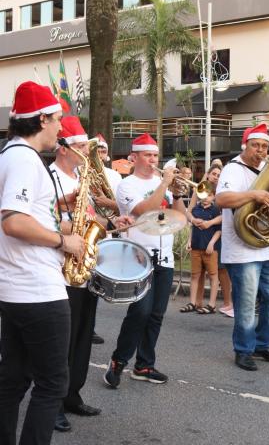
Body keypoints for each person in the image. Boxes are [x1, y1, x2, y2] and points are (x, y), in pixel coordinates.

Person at [0, 81, 84, 445]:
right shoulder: (22, 158)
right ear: (42, 118)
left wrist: (69, 227)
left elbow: (28, 217)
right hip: (37, 291)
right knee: (52, 384)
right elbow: (13, 221)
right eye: (57, 120)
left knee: (13, 380)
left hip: (16, 288)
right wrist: (64, 240)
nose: (60, 128)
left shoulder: (10, 155)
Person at [103, 133, 185, 388]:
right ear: (135, 157)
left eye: (155, 155)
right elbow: (144, 210)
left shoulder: (165, 184)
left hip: (165, 256)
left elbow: (182, 218)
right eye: (148, 155)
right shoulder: (127, 185)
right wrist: (164, 185)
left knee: (156, 314)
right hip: (138, 256)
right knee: (140, 312)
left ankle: (144, 364)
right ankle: (118, 360)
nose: (153, 160)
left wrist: (178, 195)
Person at [216, 123, 269, 371]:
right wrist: (255, 195)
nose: (260, 150)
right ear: (244, 145)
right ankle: (243, 350)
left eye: (265, 146)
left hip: (267, 247)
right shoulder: (232, 169)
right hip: (241, 249)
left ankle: (262, 344)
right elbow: (222, 199)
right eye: (255, 145)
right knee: (246, 303)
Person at [50, 116, 102, 432]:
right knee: (62, 342)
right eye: (81, 146)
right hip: (60, 269)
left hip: (86, 265)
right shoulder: (50, 176)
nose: (86, 151)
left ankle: (73, 395)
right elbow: (48, 221)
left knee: (83, 335)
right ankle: (53, 402)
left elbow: (91, 218)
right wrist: (73, 227)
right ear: (64, 148)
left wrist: (109, 224)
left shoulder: (82, 176)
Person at [187, 164, 233, 317]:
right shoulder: (199, 189)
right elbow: (189, 211)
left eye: (219, 174)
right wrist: (193, 220)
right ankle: (197, 302)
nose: (216, 177)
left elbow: (225, 215)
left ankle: (227, 303)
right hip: (201, 235)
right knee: (198, 272)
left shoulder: (223, 190)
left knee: (221, 270)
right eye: (214, 173)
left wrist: (210, 223)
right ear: (208, 175)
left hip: (218, 233)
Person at [90, 133, 122, 344]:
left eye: (103, 151)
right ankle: (87, 327)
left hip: (110, 227)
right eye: (97, 150)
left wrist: (110, 208)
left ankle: (89, 325)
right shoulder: (83, 172)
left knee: (98, 279)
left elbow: (119, 201)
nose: (100, 154)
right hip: (92, 227)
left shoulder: (115, 176)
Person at [180, 183, 221, 314]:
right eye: (203, 195)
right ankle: (193, 302)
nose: (206, 198)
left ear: (214, 196)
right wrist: (189, 241)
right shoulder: (196, 209)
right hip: (196, 247)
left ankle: (212, 304)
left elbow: (219, 230)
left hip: (210, 249)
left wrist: (211, 244)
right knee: (195, 275)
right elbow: (193, 227)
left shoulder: (215, 211)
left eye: (209, 195)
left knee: (213, 276)